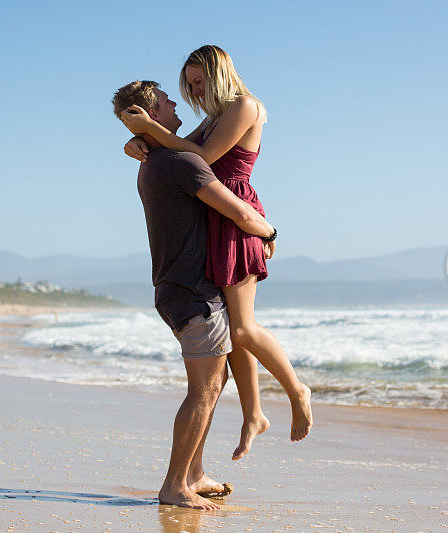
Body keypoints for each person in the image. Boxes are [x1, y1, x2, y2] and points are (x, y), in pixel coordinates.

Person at [120, 45, 312, 461]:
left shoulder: (245, 105)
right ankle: (253, 415)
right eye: (189, 85)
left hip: (236, 213)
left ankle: (297, 389)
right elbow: (170, 150)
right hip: (216, 215)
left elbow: (200, 157)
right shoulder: (213, 116)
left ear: (218, 71)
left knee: (242, 329)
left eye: (199, 80)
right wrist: (137, 142)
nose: (194, 90)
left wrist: (149, 131)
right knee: (231, 327)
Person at [112, 80, 277, 510]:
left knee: (213, 381)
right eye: (167, 101)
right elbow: (238, 212)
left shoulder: (152, 161)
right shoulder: (182, 162)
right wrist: (271, 232)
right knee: (203, 390)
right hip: (190, 291)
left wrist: (139, 138)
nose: (175, 103)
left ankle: (195, 473)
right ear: (152, 115)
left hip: (180, 287)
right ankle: (174, 486)